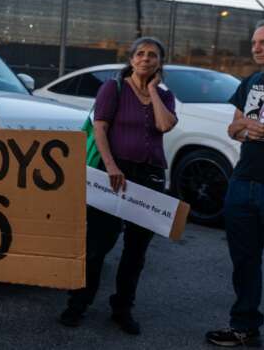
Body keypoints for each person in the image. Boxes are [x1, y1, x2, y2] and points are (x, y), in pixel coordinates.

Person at [59, 36, 177, 335]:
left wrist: (152, 89)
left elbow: (165, 126)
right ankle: (78, 303)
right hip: (113, 173)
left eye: (153, 55)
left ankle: (122, 308)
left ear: (159, 62)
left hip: (150, 176)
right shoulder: (113, 88)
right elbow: (100, 129)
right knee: (98, 245)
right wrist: (111, 166)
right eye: (140, 54)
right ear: (131, 58)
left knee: (136, 251)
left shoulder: (165, 94)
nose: (146, 59)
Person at [206, 19, 264, 348]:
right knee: (244, 261)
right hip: (243, 182)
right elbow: (232, 129)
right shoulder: (250, 82)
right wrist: (247, 126)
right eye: (254, 42)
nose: (256, 48)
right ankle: (244, 326)